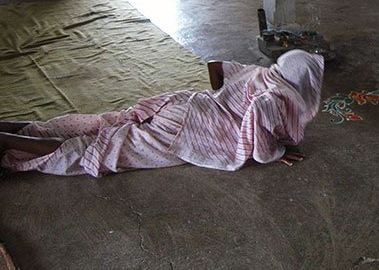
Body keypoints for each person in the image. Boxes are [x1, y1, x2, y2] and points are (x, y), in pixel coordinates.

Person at [0, 50, 324, 177]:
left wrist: (216, 100)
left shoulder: (260, 73)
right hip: (186, 130)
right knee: (105, 151)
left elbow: (216, 66)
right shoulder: (276, 97)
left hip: (180, 103)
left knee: (104, 123)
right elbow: (259, 118)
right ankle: (5, 141)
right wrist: (274, 152)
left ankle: (19, 127)